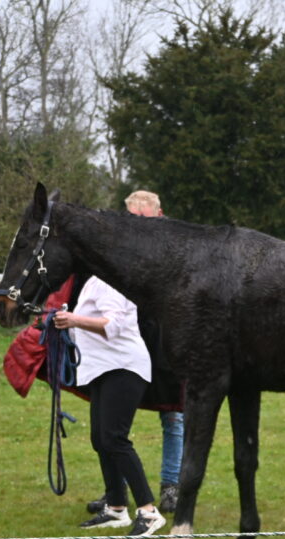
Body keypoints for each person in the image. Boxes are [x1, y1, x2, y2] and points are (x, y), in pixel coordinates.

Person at [85, 190, 185, 515]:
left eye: (145, 219)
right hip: (123, 339)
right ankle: (115, 491)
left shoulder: (175, 247)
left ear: (159, 215)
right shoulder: (115, 247)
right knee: (110, 422)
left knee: (174, 414)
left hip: (166, 338)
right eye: (133, 219)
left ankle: (171, 486)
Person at [53, 274, 167, 537]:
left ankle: (149, 512)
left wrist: (73, 319)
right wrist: (58, 323)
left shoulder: (110, 281)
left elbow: (112, 325)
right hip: (103, 369)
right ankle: (116, 508)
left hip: (123, 367)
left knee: (114, 439)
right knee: (101, 439)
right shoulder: (93, 281)